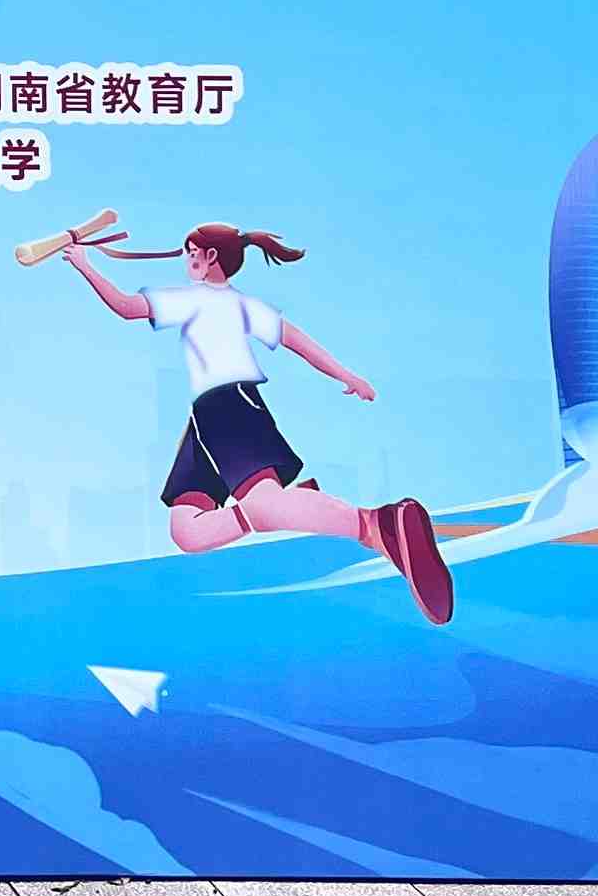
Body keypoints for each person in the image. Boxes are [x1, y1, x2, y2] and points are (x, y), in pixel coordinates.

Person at [52, 222, 452, 623]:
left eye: (192, 252)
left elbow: (125, 307)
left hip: (229, 406)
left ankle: (375, 523)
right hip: (204, 421)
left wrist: (85, 265)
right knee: (188, 532)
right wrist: (346, 375)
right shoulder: (243, 305)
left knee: (261, 506)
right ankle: (287, 505)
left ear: (211, 258)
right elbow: (298, 341)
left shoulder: (193, 300)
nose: (186, 259)